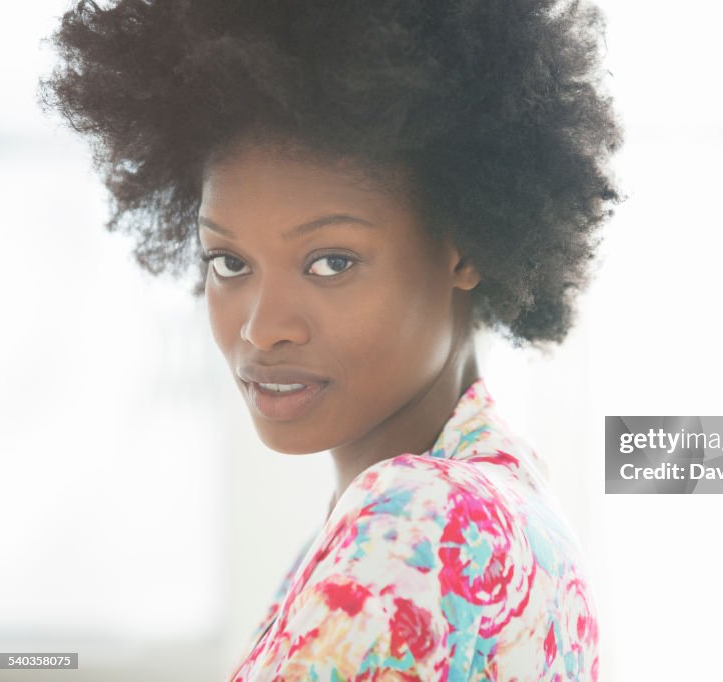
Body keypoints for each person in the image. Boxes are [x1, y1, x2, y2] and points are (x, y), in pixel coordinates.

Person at [42, 0, 621, 678]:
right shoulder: (505, 498)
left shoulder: (419, 521)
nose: (262, 327)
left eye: (331, 263)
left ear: (464, 247)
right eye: (229, 263)